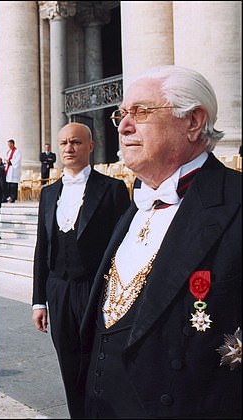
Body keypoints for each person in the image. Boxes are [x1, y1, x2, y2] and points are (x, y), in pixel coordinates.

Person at [80, 65, 241, 418]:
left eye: (141, 112)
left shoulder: (235, 203)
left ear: (194, 122)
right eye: (121, 114)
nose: (123, 126)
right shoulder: (131, 207)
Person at [31, 122, 130, 417]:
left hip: (95, 290)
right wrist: (39, 300)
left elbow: (122, 248)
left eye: (75, 142)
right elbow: (42, 248)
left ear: (91, 146)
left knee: (98, 366)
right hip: (58, 290)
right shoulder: (48, 194)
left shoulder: (112, 189)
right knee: (69, 366)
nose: (69, 148)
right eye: (63, 143)